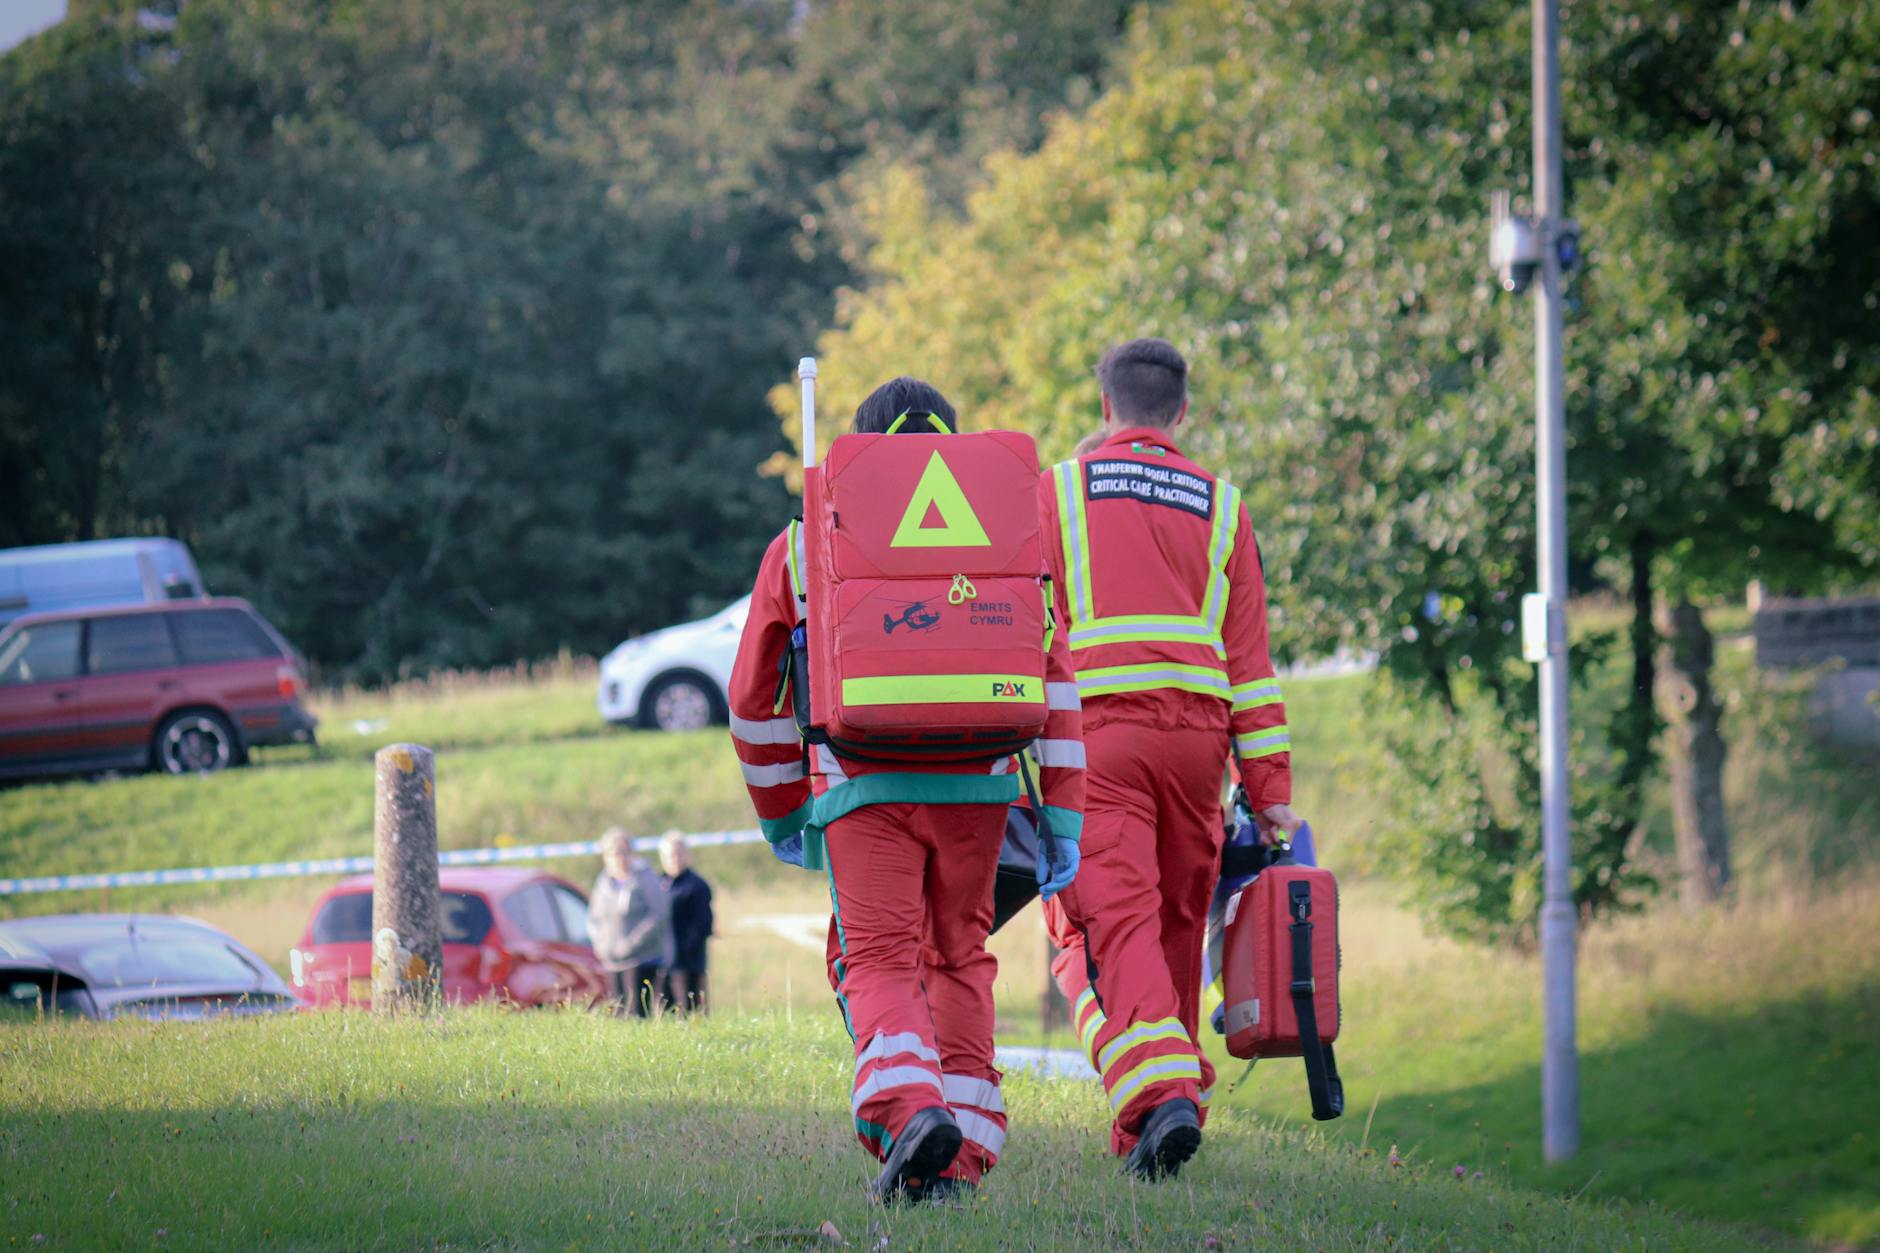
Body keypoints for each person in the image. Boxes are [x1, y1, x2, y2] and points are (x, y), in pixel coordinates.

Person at [728, 376, 1086, 1204]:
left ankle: (909, 1109)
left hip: (862, 787)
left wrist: (786, 810)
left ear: (857, 449)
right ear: (949, 447)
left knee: (881, 958)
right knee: (960, 958)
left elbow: (753, 697)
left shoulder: (805, 537)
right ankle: (957, 1161)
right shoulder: (1010, 538)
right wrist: (1060, 817)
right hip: (982, 785)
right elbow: (1057, 681)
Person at [1039, 338, 1301, 1180]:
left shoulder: (1056, 492)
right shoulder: (1225, 506)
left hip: (1097, 739)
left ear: (1103, 404)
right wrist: (1272, 796)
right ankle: (1151, 1134)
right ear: (1182, 413)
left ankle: (1162, 1097)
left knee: (1103, 923)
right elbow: (1253, 669)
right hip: (1199, 749)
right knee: (1179, 927)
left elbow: (1022, 623)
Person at [585, 827, 673, 1017]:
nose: (619, 857)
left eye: (623, 851)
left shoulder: (644, 879)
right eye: (613, 853)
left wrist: (631, 943)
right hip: (612, 959)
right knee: (619, 1012)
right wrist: (601, 945)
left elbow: (658, 914)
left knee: (637, 1012)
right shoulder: (603, 883)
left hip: (641, 959)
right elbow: (594, 918)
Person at [657, 830, 714, 1015]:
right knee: (663, 1012)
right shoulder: (658, 884)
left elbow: (703, 925)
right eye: (670, 854)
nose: (675, 858)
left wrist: (682, 950)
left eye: (679, 853)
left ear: (688, 855)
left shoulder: (696, 886)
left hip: (688, 962)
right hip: (661, 961)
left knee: (691, 1012)